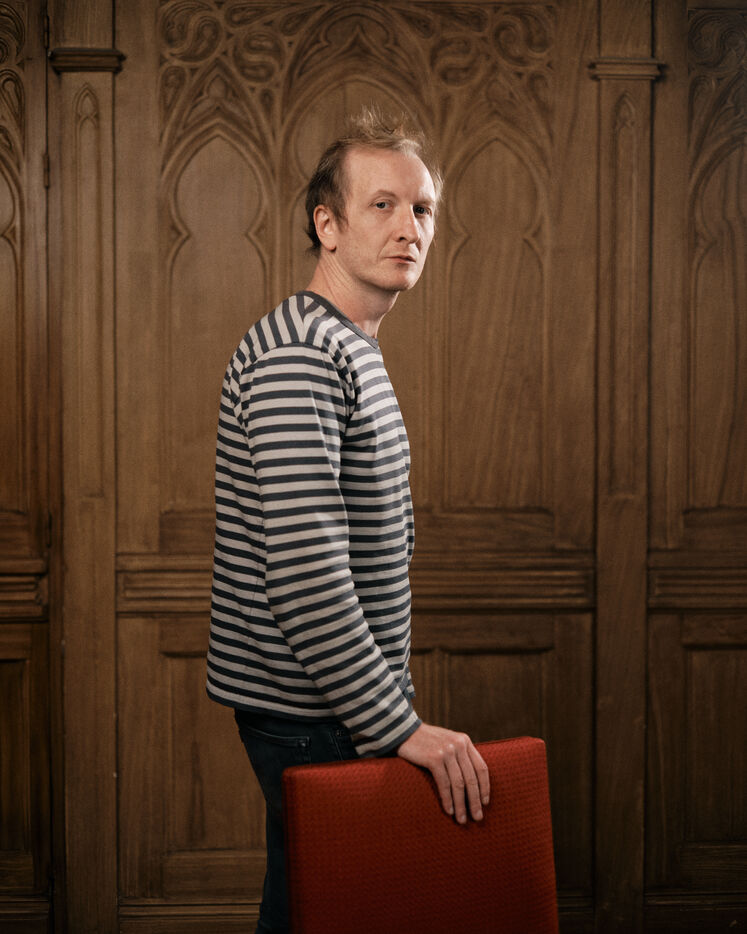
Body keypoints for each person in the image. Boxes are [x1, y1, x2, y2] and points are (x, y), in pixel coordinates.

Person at [206, 109, 490, 934]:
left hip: (333, 704)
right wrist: (397, 725)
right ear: (326, 226)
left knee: (319, 910)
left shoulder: (345, 343)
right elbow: (306, 575)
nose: (409, 227)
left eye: (422, 208)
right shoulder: (300, 352)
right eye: (382, 205)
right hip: (309, 713)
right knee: (328, 914)